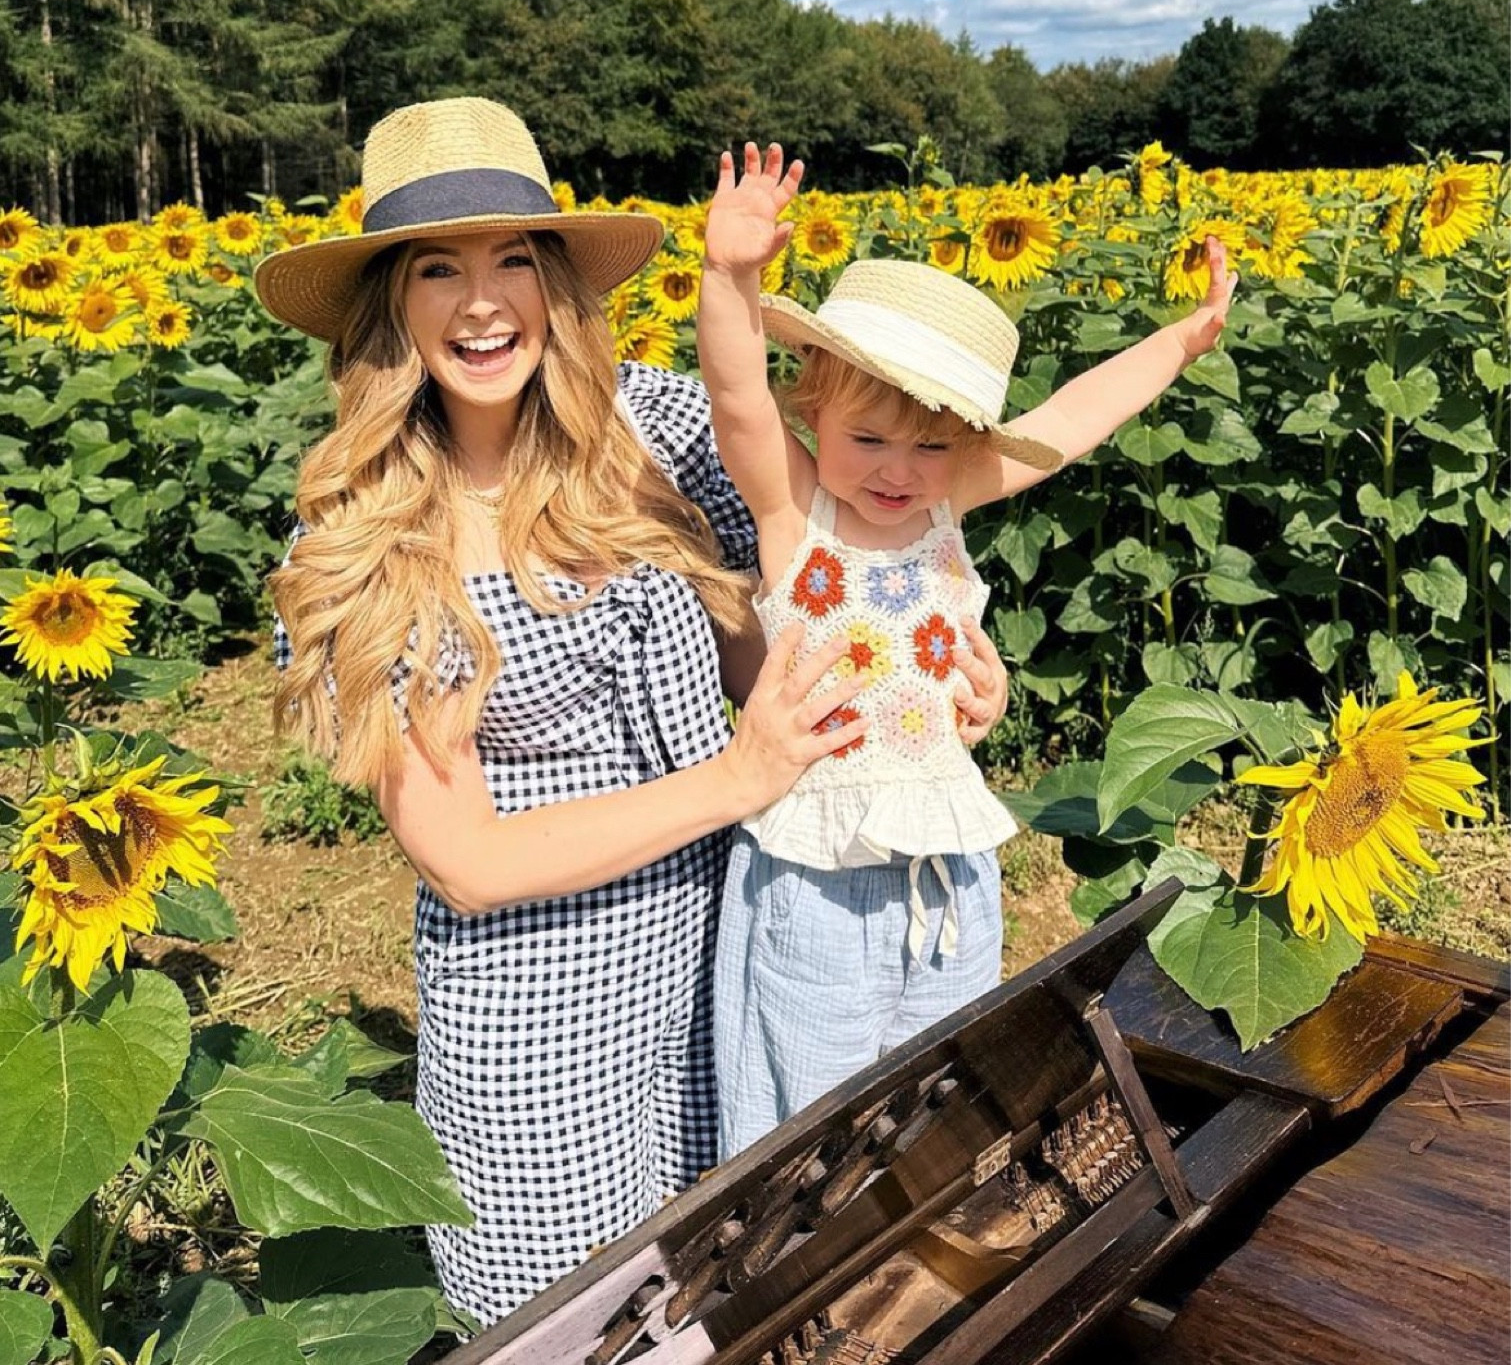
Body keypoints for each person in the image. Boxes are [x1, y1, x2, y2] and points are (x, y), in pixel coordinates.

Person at [254, 98, 1011, 1327]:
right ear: (389, 305)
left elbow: (835, 571)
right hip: (545, 1021)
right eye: (437, 269)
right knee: (584, 1326)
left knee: (755, 1288)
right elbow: (467, 861)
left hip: (738, 955)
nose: (482, 300)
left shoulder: (652, 427)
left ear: (556, 282)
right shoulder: (369, 529)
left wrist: (927, 690)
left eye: (513, 260)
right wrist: (736, 776)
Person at [699, 143, 1236, 1156]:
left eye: (931, 445)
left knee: (938, 1094)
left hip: (946, 867)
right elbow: (734, 397)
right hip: (818, 870)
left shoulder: (945, 504)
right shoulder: (797, 511)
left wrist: (1178, 341)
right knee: (803, 1109)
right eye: (868, 440)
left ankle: (899, 1263)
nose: (898, 471)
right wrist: (730, 278)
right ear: (815, 410)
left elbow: (1070, 420)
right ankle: (786, 1282)